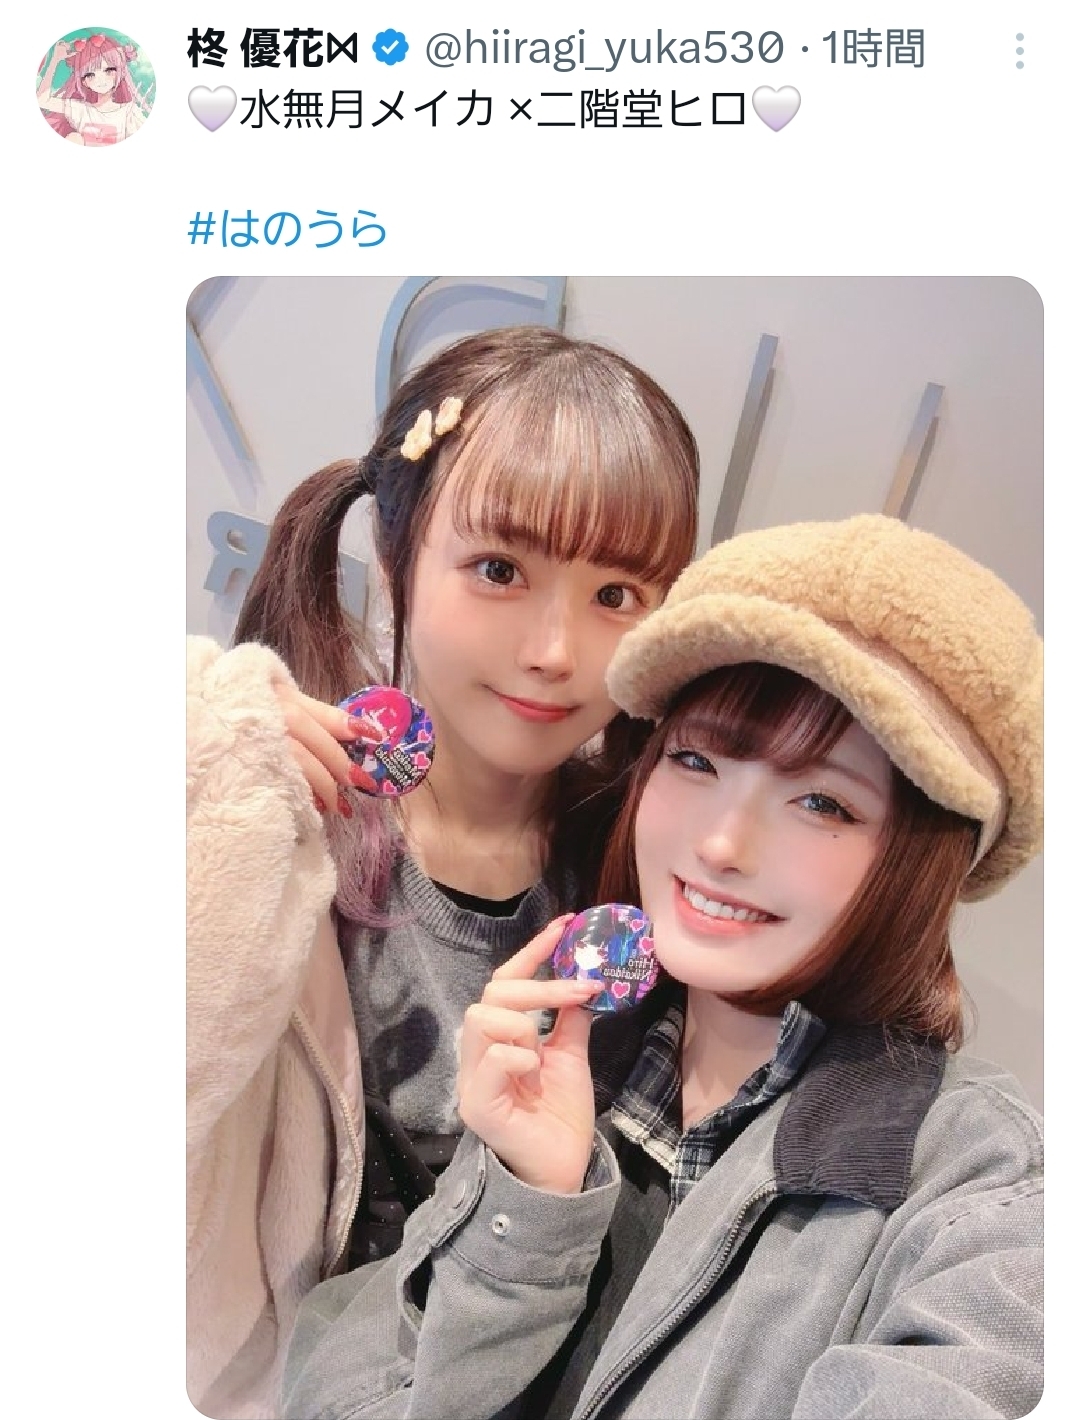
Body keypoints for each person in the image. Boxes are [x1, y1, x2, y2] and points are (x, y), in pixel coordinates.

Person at [282, 514, 1044, 1420]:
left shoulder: (975, 1174)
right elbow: (332, 1391)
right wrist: (530, 1211)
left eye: (822, 802)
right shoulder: (577, 1064)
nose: (721, 844)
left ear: (925, 862)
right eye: (694, 759)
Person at [187, 326, 700, 1416]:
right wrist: (208, 769)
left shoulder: (661, 861)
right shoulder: (279, 829)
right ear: (397, 561)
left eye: (617, 594)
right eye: (500, 570)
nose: (555, 650)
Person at [37, 34, 151, 145]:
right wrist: (55, 60)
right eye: (90, 74)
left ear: (120, 72)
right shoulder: (79, 109)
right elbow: (42, 100)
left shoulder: (129, 112)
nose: (101, 79)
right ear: (84, 81)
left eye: (109, 70)